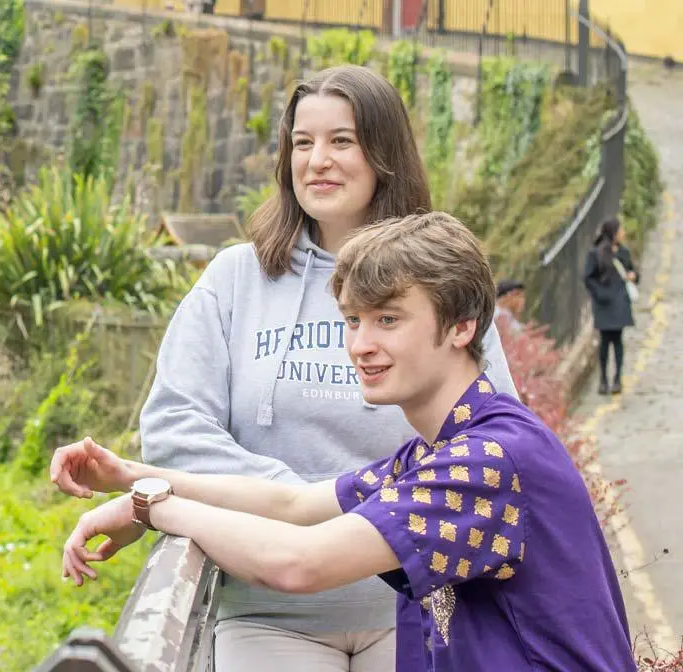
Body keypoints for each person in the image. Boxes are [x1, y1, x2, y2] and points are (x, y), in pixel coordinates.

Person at [52, 212, 634, 672]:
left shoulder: (485, 461)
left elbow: (298, 563)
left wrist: (157, 509)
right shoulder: (444, 447)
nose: (359, 344)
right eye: (352, 320)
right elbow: (295, 505)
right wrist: (133, 479)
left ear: (462, 326)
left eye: (388, 319)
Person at [133, 65, 516, 669]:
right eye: (302, 143)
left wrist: (358, 519)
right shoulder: (236, 280)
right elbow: (174, 431)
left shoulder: (437, 283)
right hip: (267, 610)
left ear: (384, 153)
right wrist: (307, 502)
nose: (318, 160)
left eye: (342, 140)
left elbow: (491, 437)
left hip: (416, 610)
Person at [582, 217, 637, 395]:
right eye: (620, 230)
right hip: (604, 305)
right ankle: (603, 380)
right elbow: (588, 277)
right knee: (605, 342)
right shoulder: (595, 253)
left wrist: (633, 275)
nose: (623, 233)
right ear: (613, 232)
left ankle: (617, 379)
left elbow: (633, 271)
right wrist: (600, 294)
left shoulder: (624, 252)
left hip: (620, 303)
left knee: (618, 340)